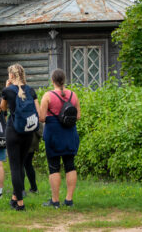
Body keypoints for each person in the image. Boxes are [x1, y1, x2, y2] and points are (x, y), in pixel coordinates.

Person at [39, 68, 81, 208]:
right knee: (70, 165)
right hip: (69, 133)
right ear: (64, 80)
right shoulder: (73, 95)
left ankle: (55, 201)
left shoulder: (48, 96)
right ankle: (69, 200)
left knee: (54, 167)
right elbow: (78, 116)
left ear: (52, 81)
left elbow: (42, 118)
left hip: (53, 134)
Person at [0, 63, 39, 211]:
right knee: (21, 164)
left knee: (15, 167)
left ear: (11, 75)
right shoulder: (31, 90)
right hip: (28, 132)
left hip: (13, 131)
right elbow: (38, 113)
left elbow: (3, 108)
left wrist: (6, 86)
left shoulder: (8, 91)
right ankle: (15, 197)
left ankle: (20, 203)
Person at [24, 125, 41, 196]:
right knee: (28, 164)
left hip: (25, 138)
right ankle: (34, 188)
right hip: (33, 139)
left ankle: (20, 190)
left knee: (21, 165)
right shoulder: (35, 113)